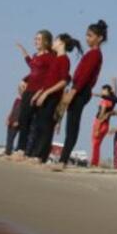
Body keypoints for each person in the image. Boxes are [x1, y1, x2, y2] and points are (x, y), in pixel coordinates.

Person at [58, 20, 108, 168]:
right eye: (86, 35)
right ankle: (63, 159)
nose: (87, 38)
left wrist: (72, 92)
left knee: (72, 125)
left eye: (90, 35)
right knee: (70, 125)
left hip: (81, 90)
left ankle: (63, 161)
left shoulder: (95, 54)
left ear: (99, 38)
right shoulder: (91, 53)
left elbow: (85, 76)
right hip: (78, 89)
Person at [28, 33, 81, 164]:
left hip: (53, 98)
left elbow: (63, 81)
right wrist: (39, 93)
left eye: (56, 40)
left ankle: (40, 157)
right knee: (39, 126)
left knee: (46, 127)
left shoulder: (64, 59)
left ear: (61, 42)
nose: (53, 42)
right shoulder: (56, 58)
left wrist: (46, 93)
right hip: (45, 96)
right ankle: (35, 155)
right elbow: (48, 81)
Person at [11, 30, 54, 158]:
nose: (36, 41)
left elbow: (50, 75)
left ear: (46, 41)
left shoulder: (50, 57)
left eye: (39, 39)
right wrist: (24, 80)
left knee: (38, 124)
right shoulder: (36, 56)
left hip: (39, 92)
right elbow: (33, 68)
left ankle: (34, 153)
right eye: (35, 39)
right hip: (28, 91)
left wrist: (43, 91)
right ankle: (20, 150)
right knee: (24, 120)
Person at [90, 82, 117, 168]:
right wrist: (115, 83)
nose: (102, 91)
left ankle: (94, 163)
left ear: (108, 91)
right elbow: (115, 94)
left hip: (100, 122)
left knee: (95, 144)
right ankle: (94, 162)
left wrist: (97, 128)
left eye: (104, 90)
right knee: (97, 144)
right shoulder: (112, 101)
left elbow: (101, 114)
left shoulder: (105, 101)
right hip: (106, 124)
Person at [4, 89, 22, 156]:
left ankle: (11, 152)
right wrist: (8, 118)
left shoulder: (25, 101)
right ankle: (7, 152)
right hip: (12, 120)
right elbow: (12, 109)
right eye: (19, 90)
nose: (19, 91)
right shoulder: (17, 100)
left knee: (13, 137)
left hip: (18, 122)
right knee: (9, 137)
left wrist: (18, 121)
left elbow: (23, 113)